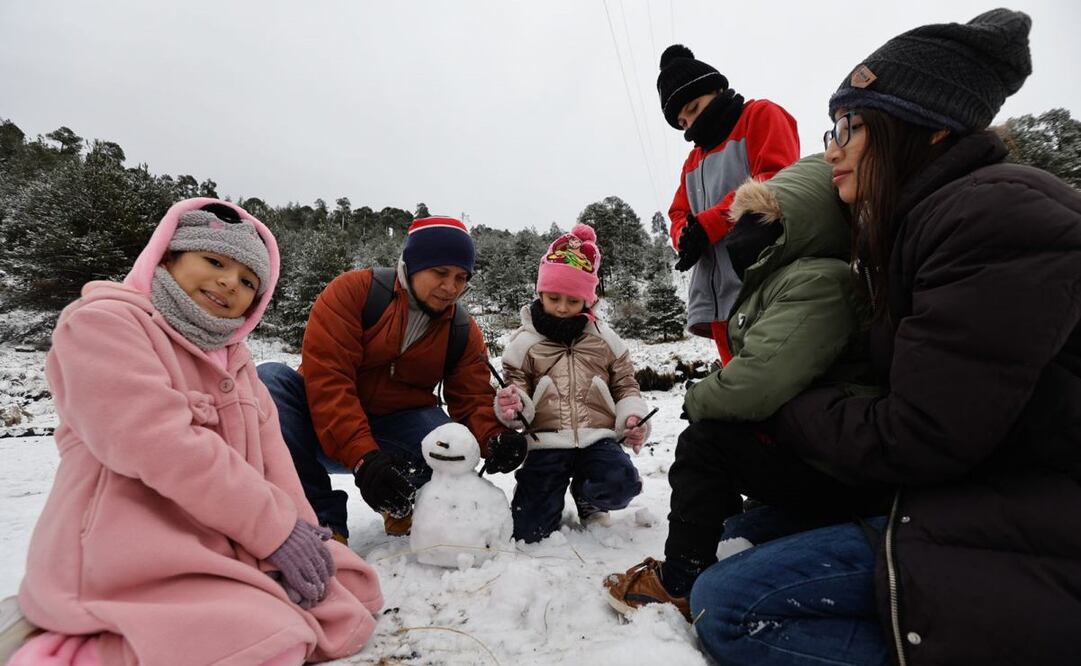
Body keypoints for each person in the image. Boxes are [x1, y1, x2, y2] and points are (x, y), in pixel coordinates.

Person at [688, 9, 1081, 666]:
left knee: (729, 606)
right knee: (742, 532)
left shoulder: (995, 217)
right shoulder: (917, 223)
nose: (832, 147)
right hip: (976, 484)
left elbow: (918, 436)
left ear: (923, 130)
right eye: (832, 126)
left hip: (1037, 509)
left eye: (852, 126)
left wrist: (779, 400)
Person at [6, 199, 383, 666]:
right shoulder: (102, 323)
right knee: (267, 640)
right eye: (214, 261)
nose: (230, 282)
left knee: (355, 593)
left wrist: (303, 533)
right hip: (126, 546)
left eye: (249, 281)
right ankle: (71, 647)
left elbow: (274, 465)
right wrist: (274, 533)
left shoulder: (238, 361)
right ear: (167, 257)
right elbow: (155, 441)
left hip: (220, 535)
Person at [603, 152, 890, 620]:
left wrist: (699, 397)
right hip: (821, 445)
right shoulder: (787, 277)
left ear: (801, 221)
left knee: (705, 444)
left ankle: (680, 580)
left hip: (835, 458)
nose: (742, 234)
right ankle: (748, 539)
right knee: (734, 484)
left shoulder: (819, 281)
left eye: (760, 218)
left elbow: (760, 380)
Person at [258, 216, 527, 542]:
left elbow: (471, 399)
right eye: (440, 273)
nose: (451, 287)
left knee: (446, 446)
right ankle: (320, 522)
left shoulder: (462, 330)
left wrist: (494, 437)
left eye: (461, 277)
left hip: (396, 428)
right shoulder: (353, 293)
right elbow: (329, 382)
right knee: (270, 380)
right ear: (411, 265)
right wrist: (364, 459)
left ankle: (402, 504)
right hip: (319, 424)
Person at [493, 224, 650, 543]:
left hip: (598, 439)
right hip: (545, 442)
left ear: (588, 302)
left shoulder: (607, 341)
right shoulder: (523, 344)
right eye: (553, 297)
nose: (562, 307)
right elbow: (516, 387)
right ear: (540, 292)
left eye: (573, 300)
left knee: (622, 483)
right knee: (530, 532)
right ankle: (545, 501)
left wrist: (631, 417)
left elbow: (625, 386)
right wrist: (511, 405)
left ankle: (589, 496)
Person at [656, 44, 800, 363]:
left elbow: (778, 178)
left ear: (716, 88)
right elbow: (678, 213)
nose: (690, 126)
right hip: (719, 302)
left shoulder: (760, 115)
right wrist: (686, 237)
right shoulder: (692, 161)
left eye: (693, 108)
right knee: (740, 392)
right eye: (682, 123)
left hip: (766, 287)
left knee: (776, 382)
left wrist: (710, 224)